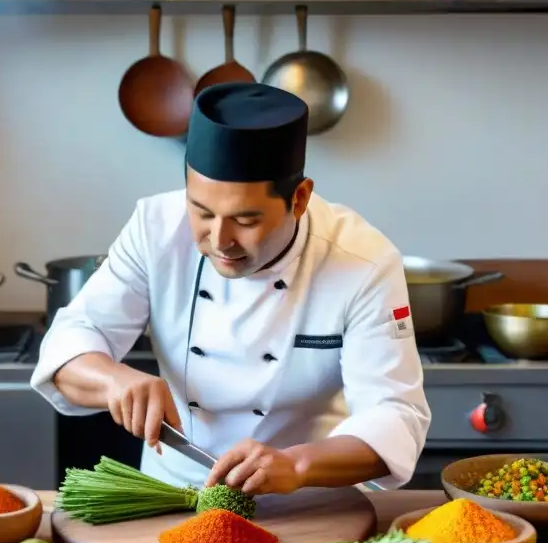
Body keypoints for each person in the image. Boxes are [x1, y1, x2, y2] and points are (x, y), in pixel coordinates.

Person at [32, 82, 431, 495]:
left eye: (245, 220)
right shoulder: (155, 228)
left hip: (309, 497)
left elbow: (395, 415)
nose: (219, 240)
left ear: (299, 199)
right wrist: (114, 380)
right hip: (172, 494)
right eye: (201, 212)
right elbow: (69, 343)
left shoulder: (363, 262)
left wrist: (296, 465)